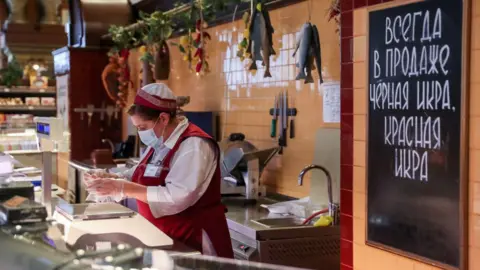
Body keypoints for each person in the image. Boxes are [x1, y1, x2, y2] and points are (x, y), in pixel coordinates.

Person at [85, 83, 234, 258]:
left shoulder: (194, 145)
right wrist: (109, 178)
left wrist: (122, 188)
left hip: (194, 240)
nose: (140, 133)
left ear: (163, 119)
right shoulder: (159, 141)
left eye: (142, 127)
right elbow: (139, 172)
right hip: (165, 238)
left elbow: (177, 196)